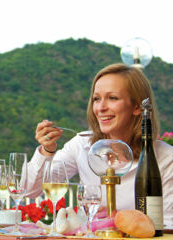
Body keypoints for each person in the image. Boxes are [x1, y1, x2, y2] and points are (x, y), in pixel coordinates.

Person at [24, 63, 173, 226]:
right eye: (96, 99)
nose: (101, 108)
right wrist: (46, 150)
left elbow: (168, 224)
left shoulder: (166, 159)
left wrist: (115, 222)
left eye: (112, 98)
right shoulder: (81, 145)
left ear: (137, 107)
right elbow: (31, 190)